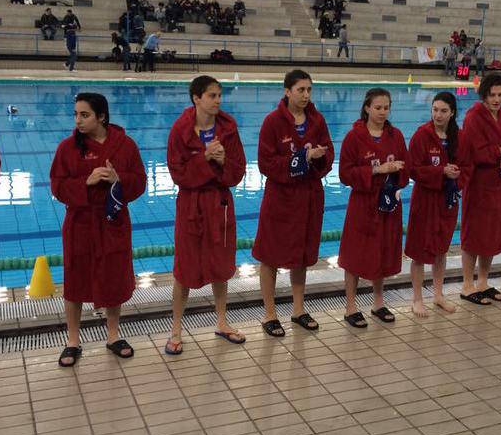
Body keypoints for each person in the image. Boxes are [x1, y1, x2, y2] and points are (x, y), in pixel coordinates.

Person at [50, 93, 146, 367]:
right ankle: (72, 341)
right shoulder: (67, 148)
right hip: (80, 223)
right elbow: (56, 186)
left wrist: (119, 180)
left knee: (113, 277)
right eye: (76, 114)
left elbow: (140, 182)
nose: (78, 120)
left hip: (112, 222)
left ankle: (113, 335)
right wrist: (86, 182)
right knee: (75, 280)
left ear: (101, 117)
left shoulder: (126, 146)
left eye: (85, 115)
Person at [165, 76, 247, 353]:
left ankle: (222, 322)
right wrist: (205, 159)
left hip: (219, 204)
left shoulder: (229, 128)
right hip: (190, 205)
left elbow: (238, 172)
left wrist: (224, 161)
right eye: (212, 95)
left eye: (219, 95)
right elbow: (177, 174)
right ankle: (176, 330)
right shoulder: (180, 130)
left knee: (221, 266)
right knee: (184, 268)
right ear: (196, 98)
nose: (218, 100)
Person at [253, 70, 334, 337]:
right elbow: (265, 164)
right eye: (301, 90)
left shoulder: (317, 120)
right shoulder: (272, 122)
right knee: (270, 255)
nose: (306, 95)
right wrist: (301, 157)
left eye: (309, 90)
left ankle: (298, 309)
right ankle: (269, 313)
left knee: (300, 255)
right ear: (287, 91)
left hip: (309, 196)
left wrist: (319, 158)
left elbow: (329, 154)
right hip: (281, 197)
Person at [338, 88, 408, 327]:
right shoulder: (354, 137)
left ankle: (378, 302)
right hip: (362, 205)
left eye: (386, 107)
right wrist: (376, 170)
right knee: (354, 255)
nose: (382, 112)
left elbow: (406, 170)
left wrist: (398, 174)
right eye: (378, 107)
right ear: (367, 108)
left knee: (382, 250)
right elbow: (345, 174)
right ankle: (350, 307)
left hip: (387, 206)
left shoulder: (395, 136)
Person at [460, 74, 501, 305]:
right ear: (483, 95)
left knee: (492, 234)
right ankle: (467, 284)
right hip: (480, 185)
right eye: (492, 95)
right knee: (475, 233)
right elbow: (476, 154)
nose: (497, 99)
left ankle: (483, 282)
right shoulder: (473, 118)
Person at [406, 92, 465, 316]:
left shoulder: (458, 137)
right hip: (425, 201)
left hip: (447, 201)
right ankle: (417, 298)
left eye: (443, 111)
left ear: (452, 113)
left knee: (441, 250)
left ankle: (438, 295)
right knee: (420, 252)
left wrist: (456, 177)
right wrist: (441, 172)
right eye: (435, 109)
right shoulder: (422, 135)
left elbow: (467, 167)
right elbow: (414, 169)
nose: (437, 115)